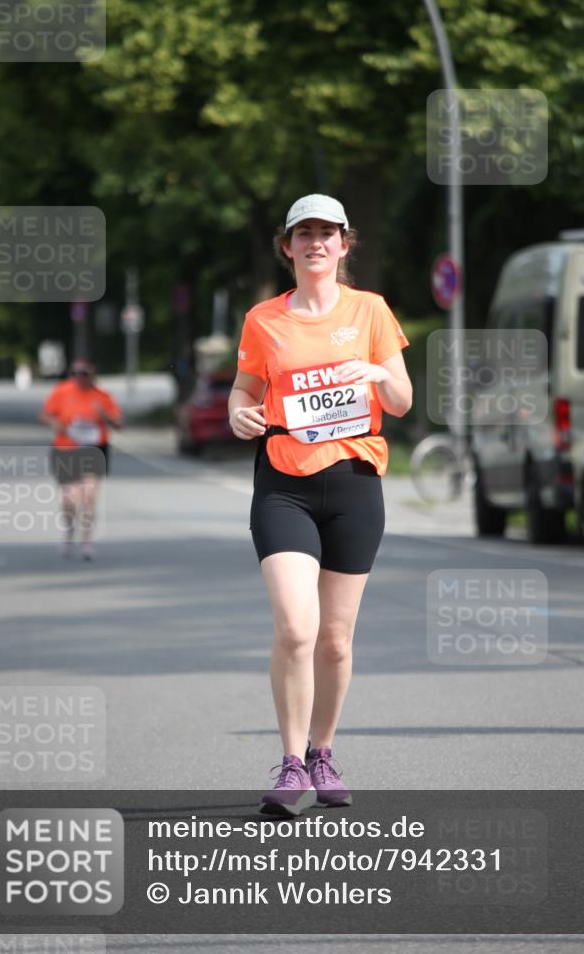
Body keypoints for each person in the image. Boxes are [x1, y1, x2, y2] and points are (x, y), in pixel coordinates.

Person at [229, 194, 412, 817]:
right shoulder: (263, 320)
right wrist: (238, 414)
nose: (315, 243)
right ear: (287, 246)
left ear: (343, 243)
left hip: (356, 482)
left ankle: (322, 751)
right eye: (303, 233)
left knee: (334, 640)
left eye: (327, 233)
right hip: (284, 483)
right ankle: (289, 765)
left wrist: (375, 372)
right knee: (296, 627)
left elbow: (404, 399)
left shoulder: (371, 311)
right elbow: (244, 389)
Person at [38, 358, 123, 560]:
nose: (81, 377)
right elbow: (44, 415)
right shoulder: (62, 392)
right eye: (77, 373)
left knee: (89, 496)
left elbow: (119, 424)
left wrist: (105, 416)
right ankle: (68, 533)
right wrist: (56, 424)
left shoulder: (102, 396)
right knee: (70, 500)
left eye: (85, 373)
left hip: (94, 449)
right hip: (66, 449)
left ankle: (86, 543)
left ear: (92, 374)